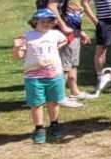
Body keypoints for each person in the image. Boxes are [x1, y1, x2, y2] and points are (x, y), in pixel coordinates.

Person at [13, 9, 69, 144]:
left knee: (54, 101)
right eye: (43, 21)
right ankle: (39, 128)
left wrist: (56, 48)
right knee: (36, 103)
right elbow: (18, 56)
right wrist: (16, 48)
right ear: (35, 21)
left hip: (54, 74)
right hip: (33, 76)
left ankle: (54, 124)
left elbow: (65, 40)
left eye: (50, 21)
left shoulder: (56, 34)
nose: (46, 24)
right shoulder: (27, 36)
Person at [40, 0, 92, 104]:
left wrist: (79, 31)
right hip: (63, 31)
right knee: (64, 64)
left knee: (73, 62)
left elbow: (71, 12)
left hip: (72, 30)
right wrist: (62, 26)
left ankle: (75, 91)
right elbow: (52, 6)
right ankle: (59, 96)